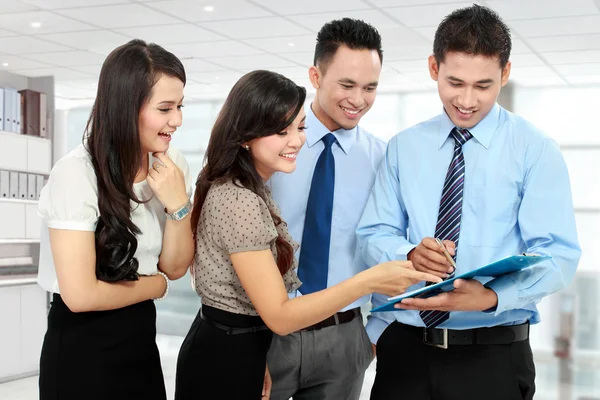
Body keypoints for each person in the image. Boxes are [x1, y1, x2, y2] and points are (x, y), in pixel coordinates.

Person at [356, 4, 581, 400]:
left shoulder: (535, 150)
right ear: (433, 68)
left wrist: (493, 297)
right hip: (406, 352)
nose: (466, 100)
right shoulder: (404, 147)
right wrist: (408, 253)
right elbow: (373, 233)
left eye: (483, 85)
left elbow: (558, 256)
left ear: (505, 74)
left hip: (493, 355)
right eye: (454, 82)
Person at [174, 70, 439, 400]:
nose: (296, 140)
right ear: (246, 135)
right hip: (228, 353)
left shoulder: (252, 188)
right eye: (280, 131)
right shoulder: (239, 199)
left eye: (299, 127)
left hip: (251, 344)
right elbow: (281, 316)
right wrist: (369, 281)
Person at [37, 39, 194, 400]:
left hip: (140, 336)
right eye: (165, 108)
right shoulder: (77, 173)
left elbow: (174, 266)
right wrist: (155, 287)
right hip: (82, 343)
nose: (177, 120)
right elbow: (80, 295)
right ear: (127, 107)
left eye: (180, 107)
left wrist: (177, 205)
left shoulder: (172, 165)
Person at [266, 18, 386, 400]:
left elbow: (386, 243)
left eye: (370, 88)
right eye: (347, 85)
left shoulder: (383, 159)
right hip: (265, 332)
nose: (358, 99)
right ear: (315, 76)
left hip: (344, 337)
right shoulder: (269, 145)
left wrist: (371, 337)